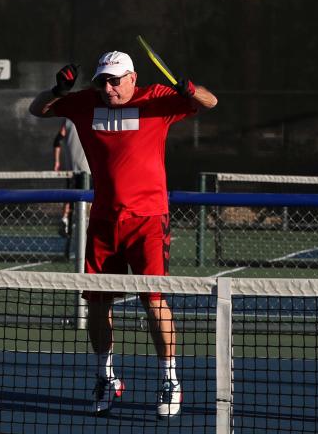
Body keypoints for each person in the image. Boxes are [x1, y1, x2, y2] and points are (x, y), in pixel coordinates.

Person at [29, 50, 218, 418]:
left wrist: (189, 89)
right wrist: (58, 89)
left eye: (116, 80)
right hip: (103, 221)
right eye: (103, 80)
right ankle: (105, 376)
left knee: (154, 300)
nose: (109, 88)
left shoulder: (159, 99)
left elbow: (210, 102)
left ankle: (169, 379)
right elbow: (38, 109)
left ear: (133, 78)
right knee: (98, 304)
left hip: (148, 220)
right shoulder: (85, 103)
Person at [52, 118, 91, 236]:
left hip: (73, 168)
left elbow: (57, 140)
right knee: (89, 196)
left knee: (70, 194)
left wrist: (57, 162)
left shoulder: (68, 120)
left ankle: (65, 219)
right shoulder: (91, 117)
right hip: (87, 168)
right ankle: (85, 222)